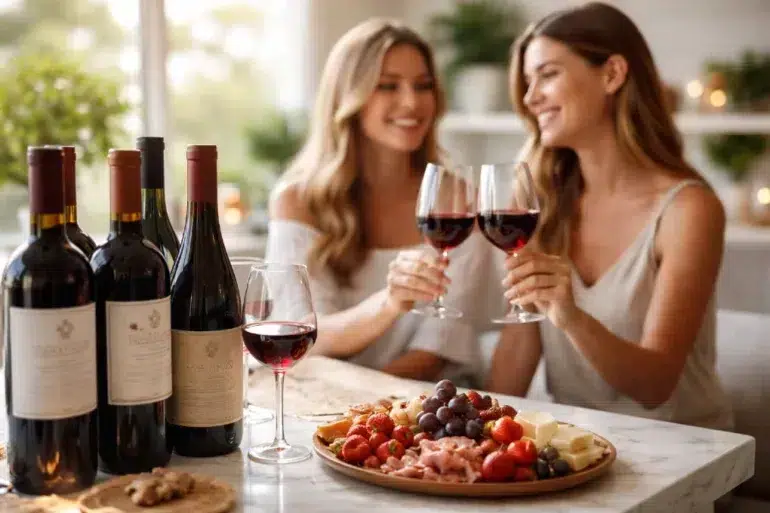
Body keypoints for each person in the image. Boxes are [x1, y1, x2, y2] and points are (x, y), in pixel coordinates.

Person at [486, 2, 734, 431]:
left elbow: (655, 386)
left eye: (547, 74)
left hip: (682, 451)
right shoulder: (539, 204)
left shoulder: (688, 209)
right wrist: (466, 438)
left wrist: (570, 316)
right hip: (576, 447)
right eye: (528, 81)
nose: (529, 98)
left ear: (612, 74)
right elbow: (516, 355)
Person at [266, 18, 492, 384]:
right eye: (388, 85)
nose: (412, 102)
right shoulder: (297, 201)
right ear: (348, 98)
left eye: (423, 85)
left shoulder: (459, 200)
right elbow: (302, 336)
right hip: (329, 400)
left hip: (428, 403)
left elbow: (436, 351)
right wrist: (389, 304)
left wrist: (371, 410)